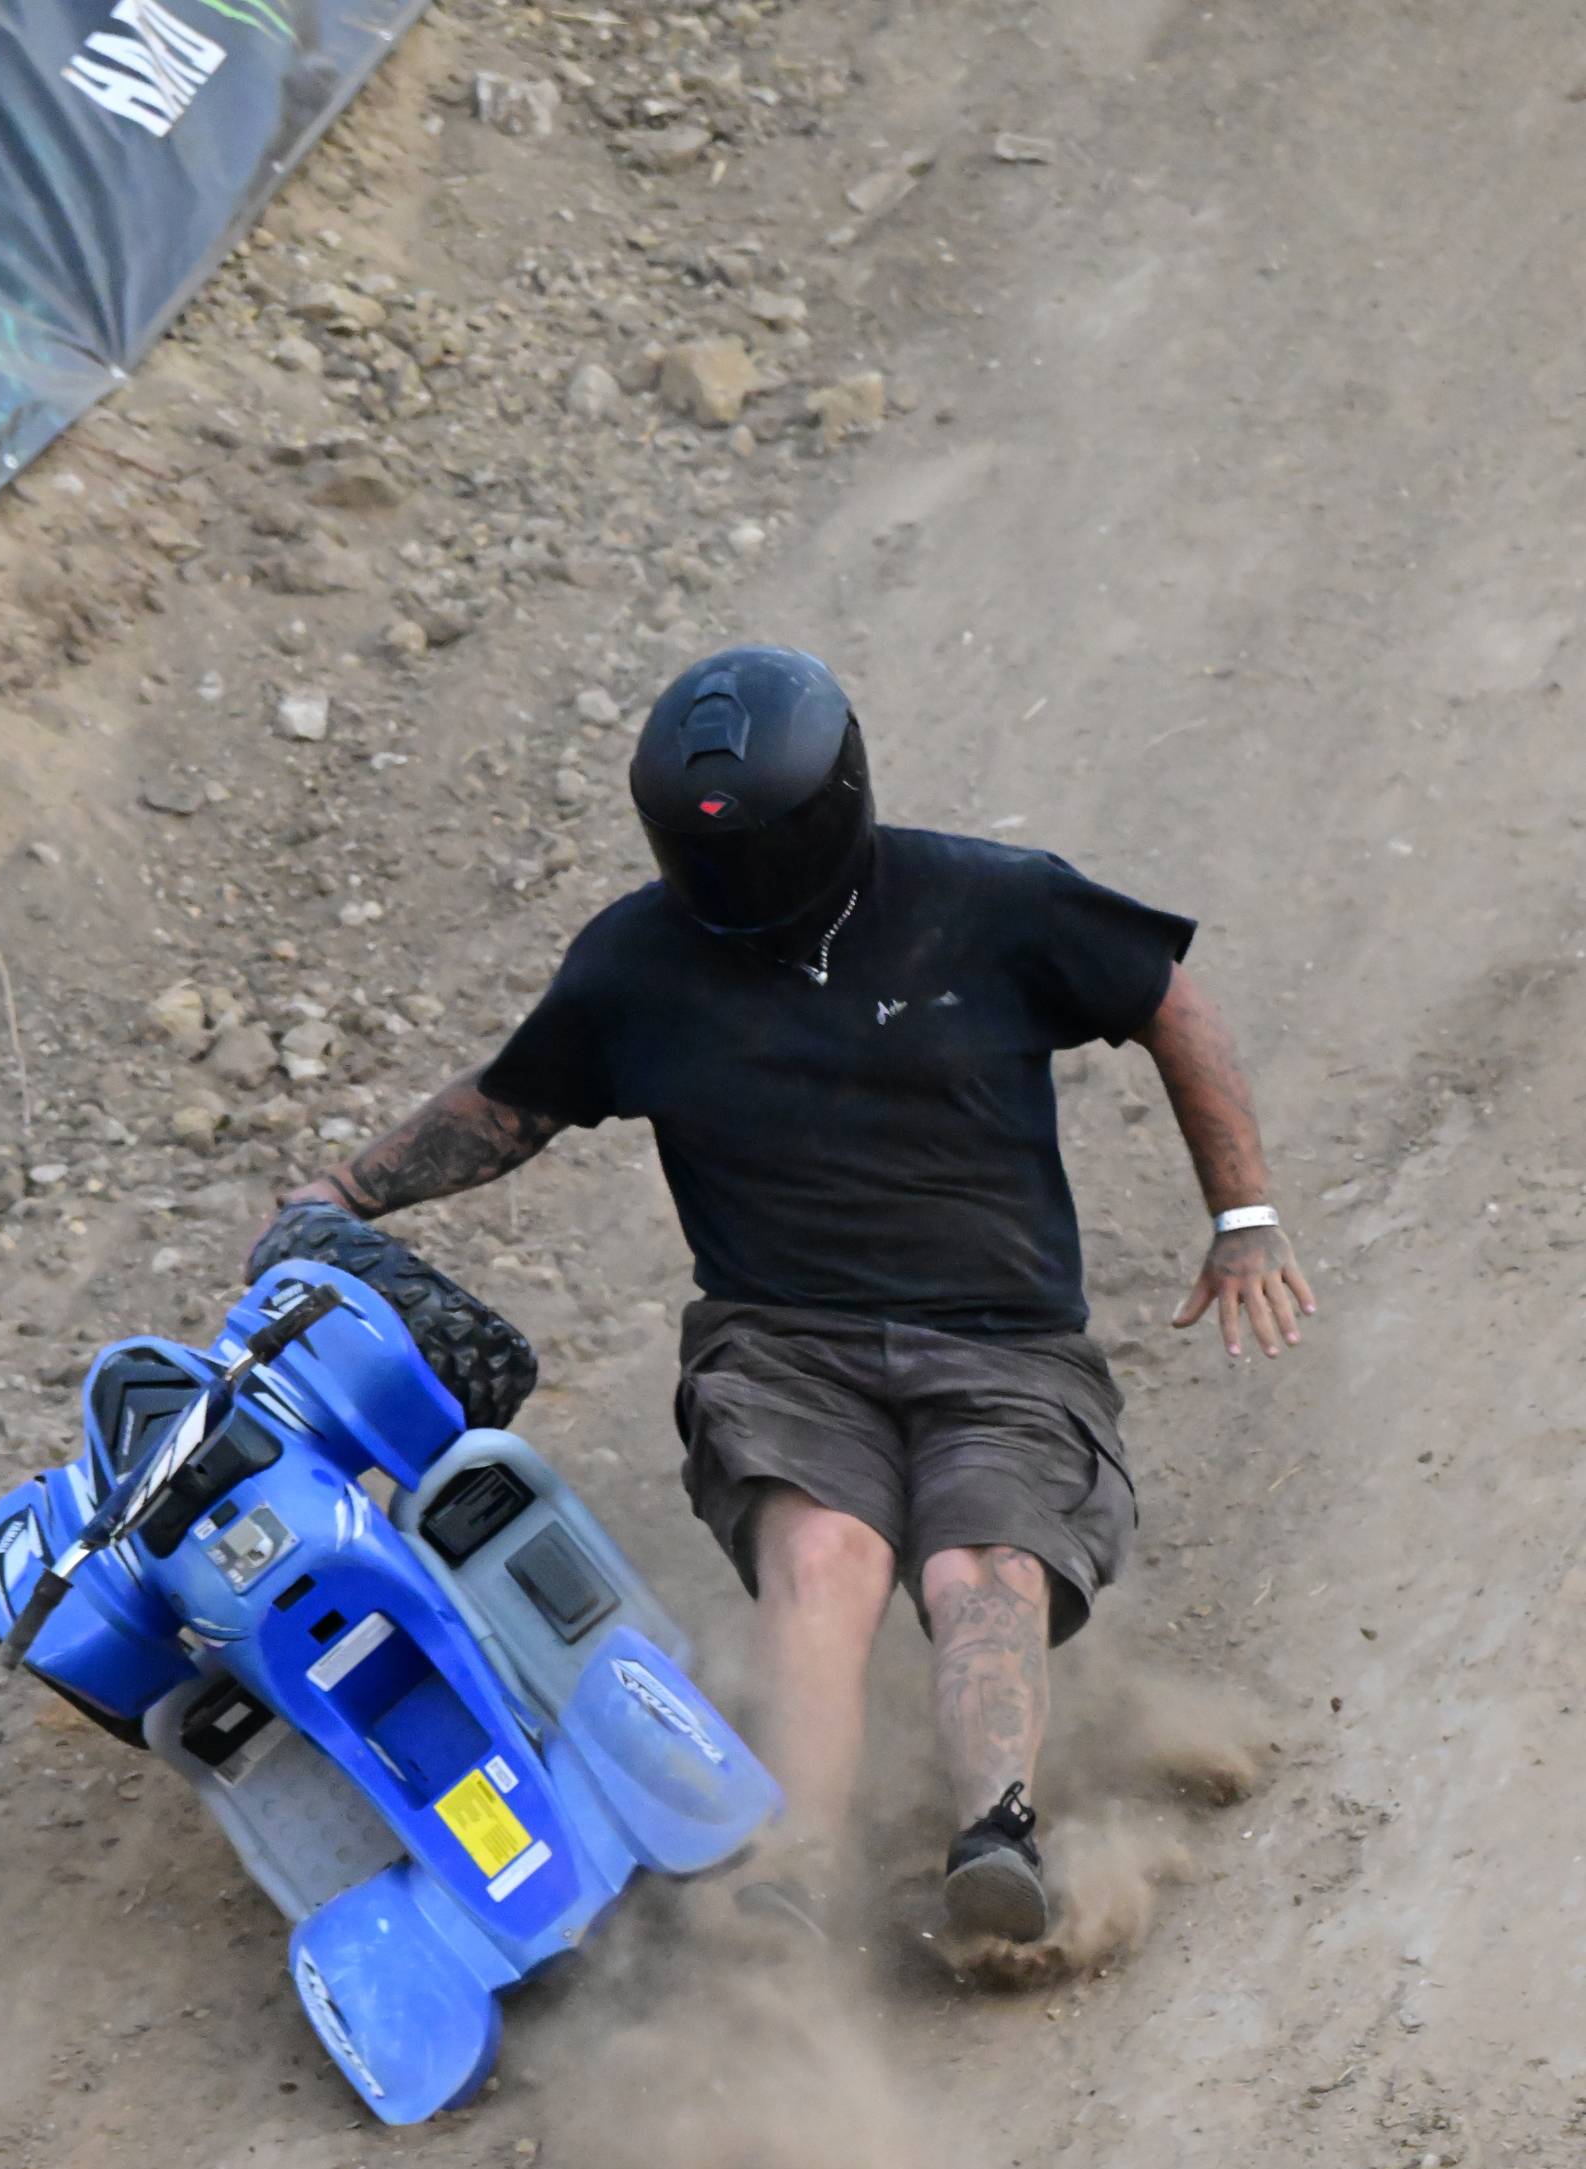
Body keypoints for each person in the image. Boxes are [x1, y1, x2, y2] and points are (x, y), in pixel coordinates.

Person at [252, 643, 1312, 1943]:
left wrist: (1243, 1217)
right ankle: (795, 1868)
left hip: (1005, 1342)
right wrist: (339, 1195)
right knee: (825, 1552)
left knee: (978, 1562)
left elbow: (1166, 999)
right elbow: (509, 1106)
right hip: (780, 1344)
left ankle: (996, 1837)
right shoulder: (635, 964)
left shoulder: (994, 904)